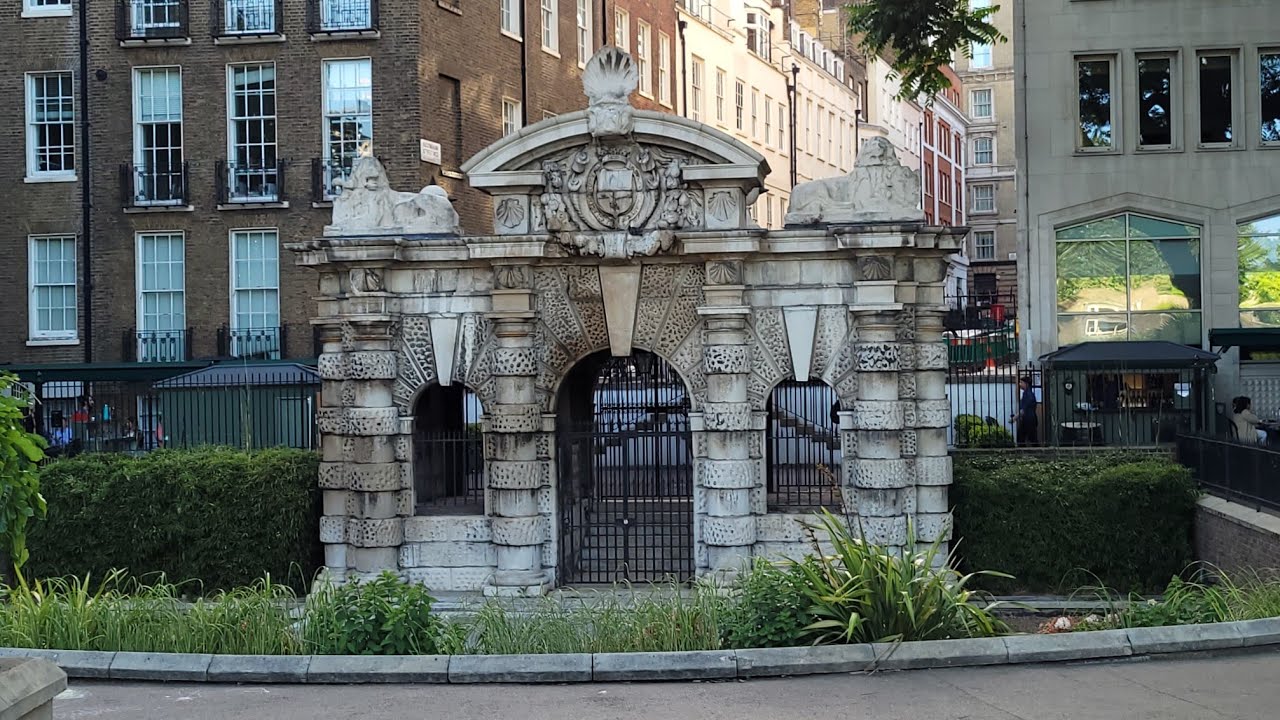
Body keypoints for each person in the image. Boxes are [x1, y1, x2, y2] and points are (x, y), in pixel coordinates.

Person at [1009, 377, 1039, 445]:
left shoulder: (1028, 395)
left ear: (1026, 384)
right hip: (1027, 419)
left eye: (1021, 382)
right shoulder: (1026, 394)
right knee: (1023, 438)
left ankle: (1036, 452)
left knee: (1028, 439)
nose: (1020, 384)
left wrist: (1014, 418)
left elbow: (1023, 410)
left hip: (1029, 420)